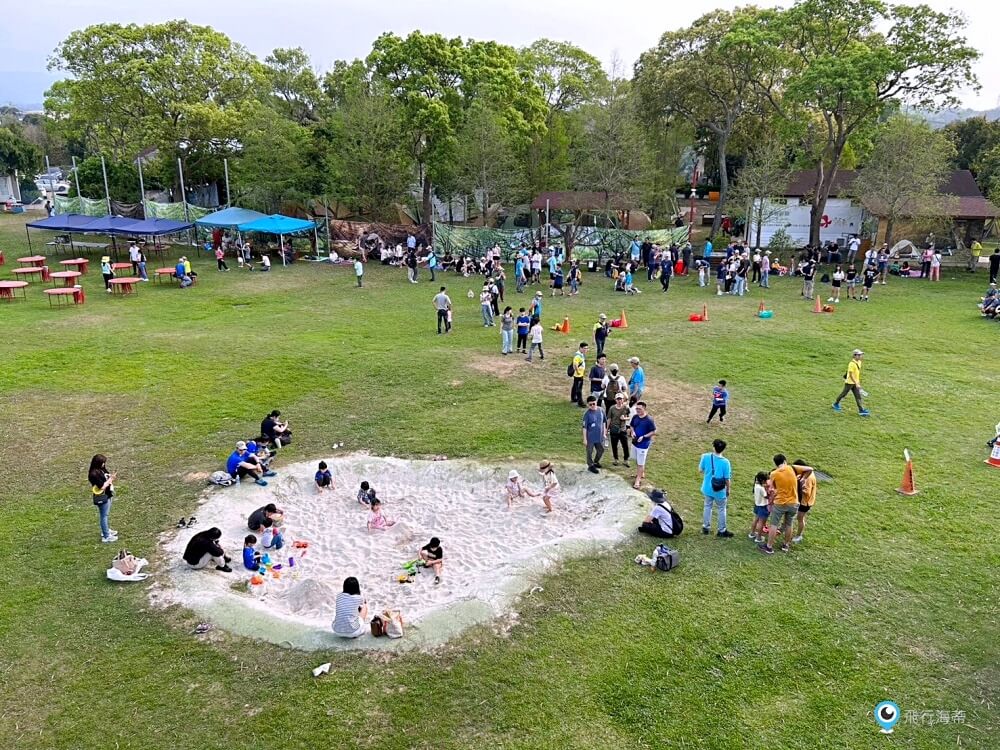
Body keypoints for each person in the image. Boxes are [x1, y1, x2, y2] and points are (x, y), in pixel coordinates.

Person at [759, 455, 813, 554]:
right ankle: (786, 545)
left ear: (775, 464)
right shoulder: (792, 468)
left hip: (780, 503)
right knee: (789, 524)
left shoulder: (774, 474)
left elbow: (771, 488)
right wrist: (803, 478)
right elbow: (810, 469)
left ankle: (769, 547)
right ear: (785, 461)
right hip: (794, 503)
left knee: (774, 524)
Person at [698, 439, 733, 537]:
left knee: (707, 506)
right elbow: (727, 478)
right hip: (720, 490)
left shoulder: (705, 456)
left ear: (713, 447)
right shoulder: (726, 462)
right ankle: (722, 530)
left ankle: (706, 527)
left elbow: (700, 470)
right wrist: (728, 489)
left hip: (708, 488)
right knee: (722, 509)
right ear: (723, 449)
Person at [88, 454, 118, 543]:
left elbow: (106, 476)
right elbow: (102, 486)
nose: (104, 465)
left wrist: (110, 477)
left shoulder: (101, 469)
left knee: (106, 515)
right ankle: (106, 536)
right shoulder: (93, 474)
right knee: (104, 516)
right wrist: (110, 479)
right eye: (102, 463)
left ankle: (106, 530)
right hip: (102, 496)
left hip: (108, 494)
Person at [628, 401, 656, 490]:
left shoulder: (649, 420)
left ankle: (638, 480)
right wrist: (632, 432)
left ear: (644, 409)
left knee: (640, 463)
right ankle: (641, 473)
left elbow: (653, 431)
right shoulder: (635, 417)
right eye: (636, 408)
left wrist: (644, 437)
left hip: (643, 445)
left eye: (639, 409)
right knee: (638, 460)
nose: (637, 410)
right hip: (635, 442)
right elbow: (632, 426)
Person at [833, 349, 870, 416]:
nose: (860, 356)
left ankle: (861, 410)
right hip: (849, 383)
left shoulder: (859, 362)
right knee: (843, 394)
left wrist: (858, 383)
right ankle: (835, 404)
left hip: (855, 382)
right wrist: (856, 383)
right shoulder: (851, 364)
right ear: (854, 355)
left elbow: (857, 373)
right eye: (859, 355)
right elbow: (850, 375)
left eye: (861, 355)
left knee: (858, 396)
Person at [792, 460, 817, 543]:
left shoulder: (808, 479)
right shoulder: (808, 474)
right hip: (804, 500)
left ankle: (799, 535)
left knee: (800, 518)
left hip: (805, 502)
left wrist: (798, 487)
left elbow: (807, 492)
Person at [582, 395, 608, 474]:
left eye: (594, 404)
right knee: (589, 452)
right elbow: (584, 427)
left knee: (601, 450)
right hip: (590, 437)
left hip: (599, 436)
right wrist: (585, 439)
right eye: (590, 404)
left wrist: (604, 433)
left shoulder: (601, 410)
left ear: (596, 402)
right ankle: (590, 465)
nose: (592, 406)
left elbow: (604, 422)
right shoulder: (587, 414)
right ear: (588, 405)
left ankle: (596, 462)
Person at [607, 391, 631, 467]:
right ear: (615, 400)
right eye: (618, 399)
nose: (619, 400)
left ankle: (626, 460)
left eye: (620, 399)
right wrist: (606, 429)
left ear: (623, 399)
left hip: (622, 429)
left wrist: (625, 418)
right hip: (614, 429)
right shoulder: (612, 408)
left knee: (625, 445)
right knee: (614, 445)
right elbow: (609, 419)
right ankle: (616, 459)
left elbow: (630, 417)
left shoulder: (626, 408)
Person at [749, 471, 772, 543]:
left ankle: (752, 533)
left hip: (757, 505)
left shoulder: (756, 485)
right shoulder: (761, 489)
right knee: (761, 522)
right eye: (766, 481)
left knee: (756, 519)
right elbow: (766, 497)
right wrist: (771, 493)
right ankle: (758, 537)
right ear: (762, 480)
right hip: (763, 506)